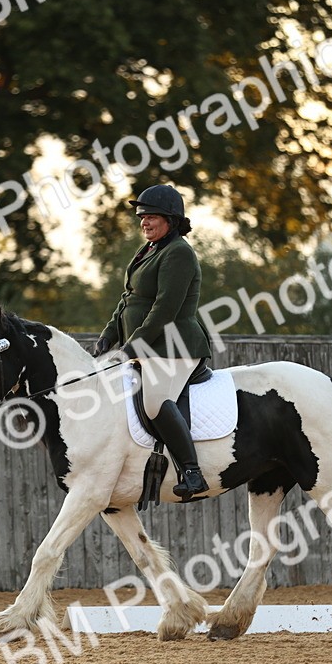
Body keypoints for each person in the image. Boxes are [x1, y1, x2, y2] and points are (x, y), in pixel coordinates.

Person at [93, 184, 213, 500]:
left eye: (151, 217)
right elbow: (128, 298)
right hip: (149, 347)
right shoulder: (149, 250)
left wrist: (134, 345)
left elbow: (165, 309)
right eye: (141, 216)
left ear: (171, 220)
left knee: (154, 401)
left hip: (175, 346)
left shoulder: (179, 253)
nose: (144, 222)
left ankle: (192, 472)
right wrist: (110, 333)